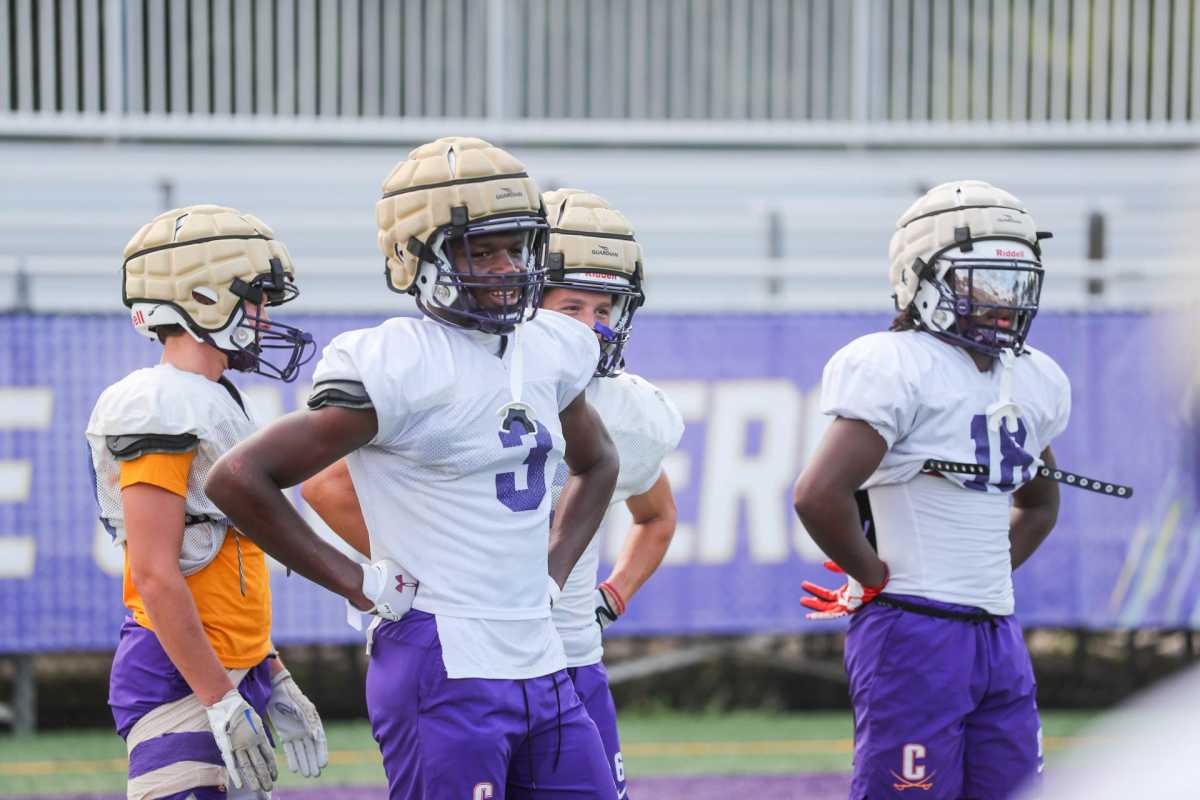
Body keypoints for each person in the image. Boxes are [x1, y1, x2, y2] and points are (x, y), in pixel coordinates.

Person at [204, 137, 621, 799]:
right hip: (441, 661)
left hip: (540, 657)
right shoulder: (398, 361)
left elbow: (598, 464)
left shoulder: (554, 346)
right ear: (417, 255)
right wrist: (358, 581)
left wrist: (553, 569)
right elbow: (236, 478)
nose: (507, 266)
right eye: (481, 250)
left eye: (516, 246)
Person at [301, 188, 683, 798]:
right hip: (463, 647)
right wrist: (423, 573)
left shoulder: (623, 407)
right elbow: (322, 483)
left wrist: (603, 591)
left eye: (607, 306)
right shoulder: (464, 373)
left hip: (566, 652)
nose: (594, 326)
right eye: (573, 305)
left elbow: (654, 511)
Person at [792, 180, 1070, 800]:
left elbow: (1041, 502)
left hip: (997, 629)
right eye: (982, 281)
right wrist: (872, 578)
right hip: (913, 630)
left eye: (1016, 281)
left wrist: (986, 574)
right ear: (920, 280)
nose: (1004, 301)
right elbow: (817, 494)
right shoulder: (898, 364)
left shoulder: (1031, 379)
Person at [86, 205, 326, 799]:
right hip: (181, 678)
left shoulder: (214, 397)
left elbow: (221, 557)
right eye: (256, 300)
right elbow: (156, 573)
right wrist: (219, 697)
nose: (265, 318)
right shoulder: (158, 404)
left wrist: (271, 669)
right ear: (202, 298)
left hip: (228, 670)